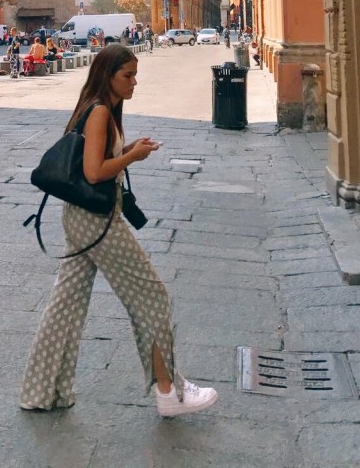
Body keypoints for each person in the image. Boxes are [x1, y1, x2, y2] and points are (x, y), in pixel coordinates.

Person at [20, 44, 218, 418]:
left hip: (79, 216)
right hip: (95, 221)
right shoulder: (98, 112)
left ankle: (42, 390)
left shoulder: (97, 108)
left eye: (135, 75)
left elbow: (94, 160)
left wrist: (126, 148)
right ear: (107, 74)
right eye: (127, 75)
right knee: (151, 295)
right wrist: (131, 157)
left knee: (67, 303)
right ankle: (169, 391)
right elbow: (95, 173)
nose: (134, 82)